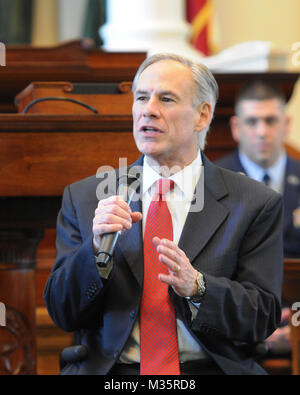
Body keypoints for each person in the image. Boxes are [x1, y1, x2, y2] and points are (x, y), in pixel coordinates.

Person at [44, 54, 284, 375]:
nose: (149, 109)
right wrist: (94, 249)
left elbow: (262, 317)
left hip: (206, 369)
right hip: (116, 373)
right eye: (141, 97)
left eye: (166, 99)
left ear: (202, 116)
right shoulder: (87, 197)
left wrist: (199, 288)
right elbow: (63, 313)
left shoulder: (254, 203)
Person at [215, 80, 300, 357]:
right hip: (236, 325)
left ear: (286, 124)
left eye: (270, 120)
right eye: (252, 122)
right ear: (236, 128)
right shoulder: (211, 183)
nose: (262, 131)